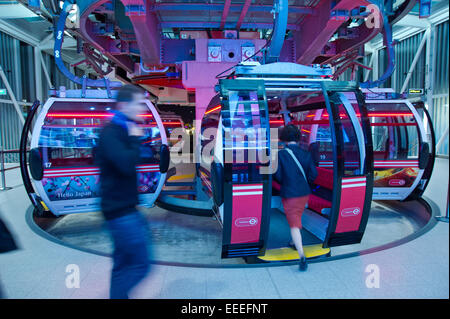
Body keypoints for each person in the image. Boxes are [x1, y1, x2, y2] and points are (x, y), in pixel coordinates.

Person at [95, 85, 151, 298]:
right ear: (124, 104)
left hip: (123, 209)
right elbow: (126, 164)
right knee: (141, 265)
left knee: (122, 265)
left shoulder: (120, 129)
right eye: (138, 103)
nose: (141, 109)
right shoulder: (112, 132)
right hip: (119, 212)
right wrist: (136, 137)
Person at [274, 124, 318, 271]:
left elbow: (278, 175)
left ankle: (302, 256)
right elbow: (313, 174)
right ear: (298, 137)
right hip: (304, 192)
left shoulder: (281, 155)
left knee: (293, 224)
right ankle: (294, 242)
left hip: (290, 193)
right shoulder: (306, 154)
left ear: (284, 138)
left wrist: (289, 182)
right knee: (296, 218)